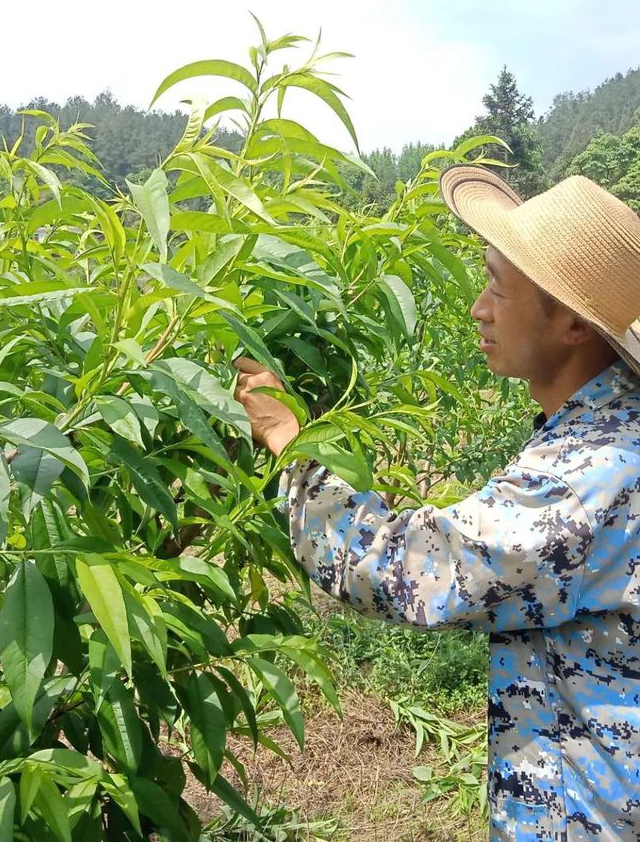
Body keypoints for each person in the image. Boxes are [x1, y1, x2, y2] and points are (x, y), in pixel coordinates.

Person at [234, 165, 640, 842]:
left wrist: (288, 439)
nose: (480, 308)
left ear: (571, 322)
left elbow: (408, 566)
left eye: (497, 286)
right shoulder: (611, 429)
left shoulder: (587, 474)